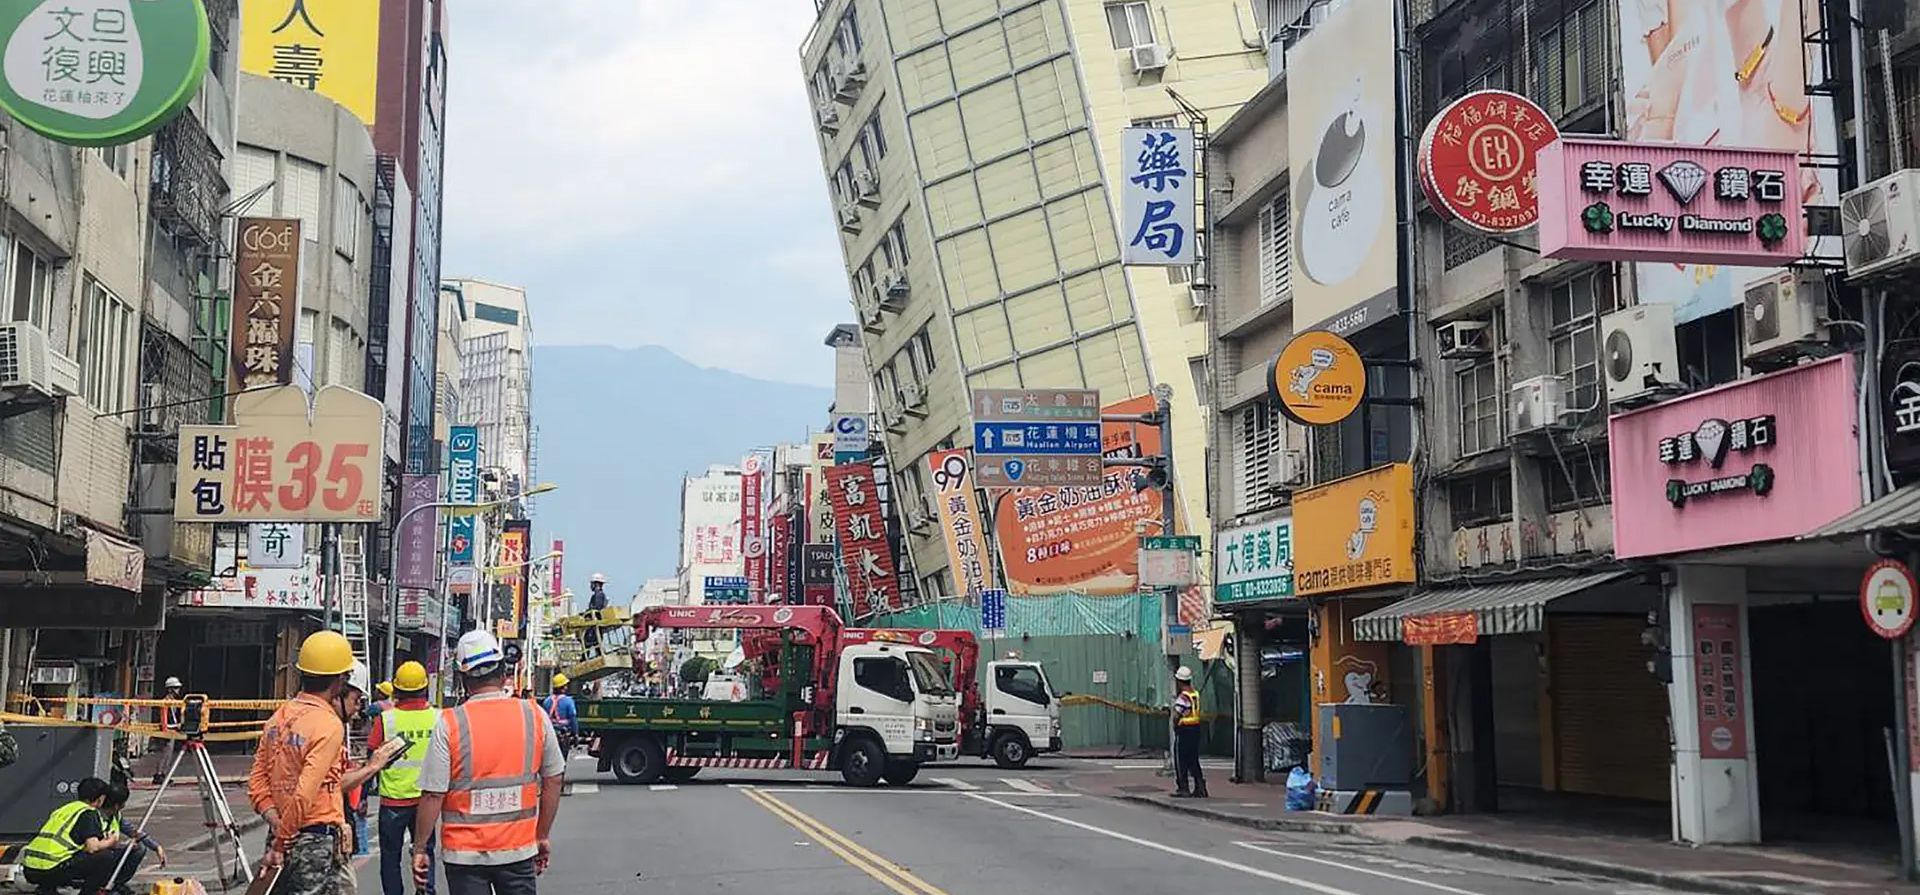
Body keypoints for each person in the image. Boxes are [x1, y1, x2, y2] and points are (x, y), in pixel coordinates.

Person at [414, 631, 566, 895]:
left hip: (464, 856)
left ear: (464, 679)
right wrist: (541, 835)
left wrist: (419, 848)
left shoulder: (450, 723)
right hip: (518, 851)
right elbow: (554, 778)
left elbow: (432, 795)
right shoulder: (534, 715)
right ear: (503, 673)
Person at [246, 631, 361, 895]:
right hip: (313, 840)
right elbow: (304, 793)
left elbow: (257, 781)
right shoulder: (328, 724)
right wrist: (280, 843)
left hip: (283, 832)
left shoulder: (279, 717)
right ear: (340, 679)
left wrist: (275, 822)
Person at [338, 661, 408, 895]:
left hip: (392, 800)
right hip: (417, 798)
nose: (359, 708)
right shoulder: (328, 728)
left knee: (390, 861)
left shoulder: (381, 712)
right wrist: (370, 769)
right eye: (356, 700)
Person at [372, 661, 438, 895]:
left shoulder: (386, 719)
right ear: (425, 688)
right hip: (426, 801)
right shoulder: (438, 718)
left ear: (397, 690)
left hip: (393, 800)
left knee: (390, 858)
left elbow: (373, 755)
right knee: (425, 852)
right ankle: (426, 892)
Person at [20, 777, 146, 895]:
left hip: (30, 869)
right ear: (100, 798)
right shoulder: (88, 813)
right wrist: (111, 841)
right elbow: (93, 847)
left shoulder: (65, 809)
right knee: (105, 856)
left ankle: (46, 889)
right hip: (51, 869)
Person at [1172, 665, 1208, 799]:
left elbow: (1176, 715)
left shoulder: (1183, 697)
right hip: (1196, 728)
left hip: (1185, 730)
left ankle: (1183, 787)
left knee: (1181, 760)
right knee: (1193, 759)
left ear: (1180, 681)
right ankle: (1200, 787)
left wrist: (1175, 726)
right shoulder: (1195, 694)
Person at [152, 676, 184, 784]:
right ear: (170, 689)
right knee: (165, 753)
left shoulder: (174, 701)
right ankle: (159, 774)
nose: (178, 690)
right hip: (167, 730)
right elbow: (164, 717)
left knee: (169, 754)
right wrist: (166, 729)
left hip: (172, 729)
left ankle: (164, 773)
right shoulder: (165, 701)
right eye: (175, 688)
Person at [540, 675, 578, 754]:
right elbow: (573, 719)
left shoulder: (547, 701)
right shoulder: (568, 701)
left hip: (549, 734)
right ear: (563, 687)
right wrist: (575, 734)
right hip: (563, 734)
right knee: (562, 759)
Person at [582, 574, 610, 653]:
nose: (590, 586)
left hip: (594, 625)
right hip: (595, 625)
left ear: (596, 584)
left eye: (592, 584)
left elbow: (596, 608)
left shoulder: (598, 595)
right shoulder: (599, 595)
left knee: (588, 642)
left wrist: (587, 614)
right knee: (595, 644)